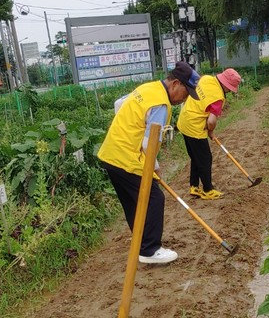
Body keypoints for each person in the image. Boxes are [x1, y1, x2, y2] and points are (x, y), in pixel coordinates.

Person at [98, 61, 200, 265]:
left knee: (133, 203)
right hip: (127, 158)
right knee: (155, 199)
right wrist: (155, 168)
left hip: (110, 154)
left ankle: (140, 243)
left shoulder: (148, 88)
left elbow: (119, 104)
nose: (184, 99)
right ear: (175, 84)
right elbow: (148, 145)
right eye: (186, 93)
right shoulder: (160, 104)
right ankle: (149, 249)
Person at [177, 68, 242, 200]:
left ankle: (194, 187)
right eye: (230, 88)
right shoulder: (218, 97)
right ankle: (208, 189)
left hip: (184, 120)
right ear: (225, 84)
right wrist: (210, 131)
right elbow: (211, 121)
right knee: (205, 158)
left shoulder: (206, 79)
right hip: (194, 127)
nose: (229, 91)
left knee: (196, 157)